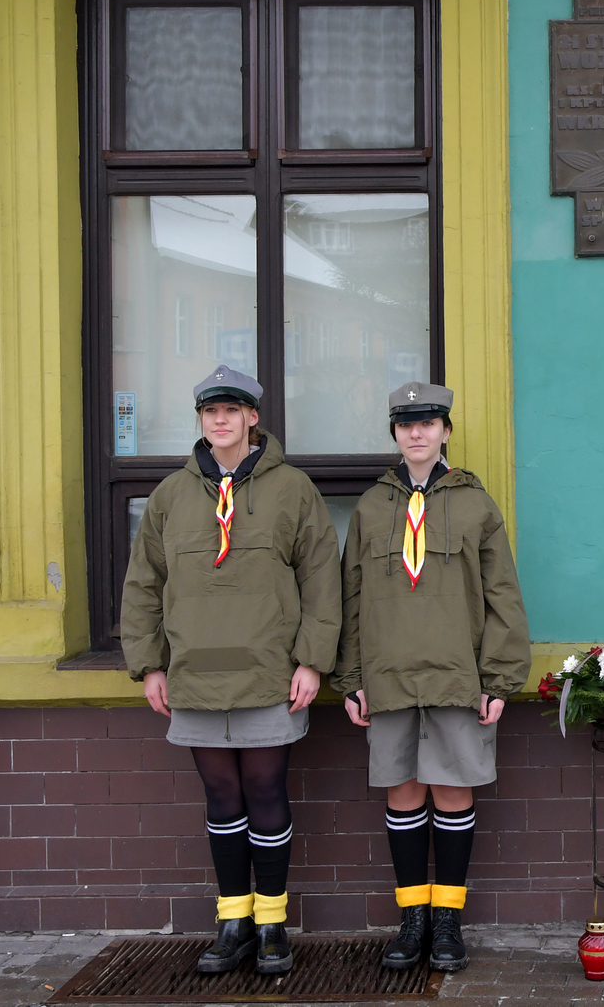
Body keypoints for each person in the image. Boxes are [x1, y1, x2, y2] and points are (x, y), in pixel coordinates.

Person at [122, 365, 341, 975]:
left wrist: (312, 661)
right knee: (222, 801)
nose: (219, 420)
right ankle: (234, 922)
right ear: (200, 420)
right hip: (194, 674)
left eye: (231, 409)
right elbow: (143, 586)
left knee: (267, 794)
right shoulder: (170, 495)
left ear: (253, 418)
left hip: (270, 672)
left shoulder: (292, 489)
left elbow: (322, 581)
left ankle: (272, 925)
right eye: (209, 411)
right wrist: (149, 666)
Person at [333, 382, 532, 973]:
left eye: (428, 422)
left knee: (451, 792)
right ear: (394, 433)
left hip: (457, 677)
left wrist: (499, 678)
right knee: (402, 793)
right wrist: (352, 677)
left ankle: (448, 920)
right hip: (389, 679)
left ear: (446, 430)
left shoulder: (475, 505)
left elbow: (504, 598)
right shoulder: (372, 507)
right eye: (405, 423)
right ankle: (411, 919)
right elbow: (351, 597)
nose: (416, 433)